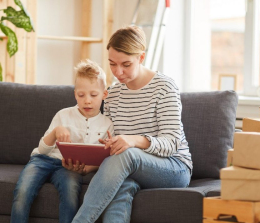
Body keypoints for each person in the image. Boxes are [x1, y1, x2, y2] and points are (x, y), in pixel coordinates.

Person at [72, 25, 193, 223]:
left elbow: (172, 143)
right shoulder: (112, 94)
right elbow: (113, 145)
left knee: (127, 155)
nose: (118, 72)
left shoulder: (164, 87)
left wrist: (134, 141)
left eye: (126, 64)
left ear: (141, 58)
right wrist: (90, 165)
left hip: (174, 167)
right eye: (112, 64)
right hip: (131, 166)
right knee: (121, 187)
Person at [10, 59, 114, 223]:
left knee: (71, 192)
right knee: (23, 191)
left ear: (104, 94)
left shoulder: (107, 124)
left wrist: (86, 169)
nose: (87, 100)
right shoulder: (63, 115)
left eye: (93, 95)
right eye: (81, 95)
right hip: (42, 160)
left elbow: (105, 158)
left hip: (69, 167)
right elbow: (42, 150)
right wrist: (55, 132)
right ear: (75, 94)